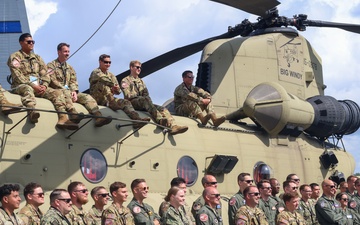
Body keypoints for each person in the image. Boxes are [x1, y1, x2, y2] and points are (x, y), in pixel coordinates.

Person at [7, 33, 82, 130]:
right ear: (21, 43)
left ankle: (63, 118)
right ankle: (32, 111)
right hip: (21, 85)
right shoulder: (15, 57)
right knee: (27, 89)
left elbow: (45, 74)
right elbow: (17, 75)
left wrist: (45, 85)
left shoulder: (37, 58)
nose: (31, 44)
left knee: (57, 93)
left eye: (32, 42)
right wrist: (34, 86)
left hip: (39, 86)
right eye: (28, 42)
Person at [47, 43, 112, 127]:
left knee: (87, 97)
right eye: (65, 51)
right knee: (65, 92)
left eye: (68, 51)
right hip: (59, 92)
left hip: (70, 92)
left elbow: (73, 81)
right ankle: (73, 115)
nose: (67, 54)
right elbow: (53, 81)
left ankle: (98, 117)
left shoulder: (70, 68)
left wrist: (74, 91)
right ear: (59, 52)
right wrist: (66, 90)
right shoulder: (51, 65)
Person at [120, 60, 188, 135]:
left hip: (144, 103)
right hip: (132, 103)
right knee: (145, 100)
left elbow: (146, 94)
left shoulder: (141, 81)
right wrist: (142, 98)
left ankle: (174, 126)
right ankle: (160, 120)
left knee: (163, 109)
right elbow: (128, 95)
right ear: (131, 67)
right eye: (137, 67)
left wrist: (147, 100)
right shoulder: (125, 80)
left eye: (140, 68)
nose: (139, 69)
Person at [89, 54, 150, 129]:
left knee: (125, 102)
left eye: (109, 62)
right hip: (97, 98)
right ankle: (111, 103)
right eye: (106, 62)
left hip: (108, 100)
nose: (108, 64)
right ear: (100, 62)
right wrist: (113, 86)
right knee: (103, 85)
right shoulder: (96, 72)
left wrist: (116, 89)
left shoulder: (111, 75)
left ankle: (136, 120)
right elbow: (104, 79)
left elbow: (118, 91)